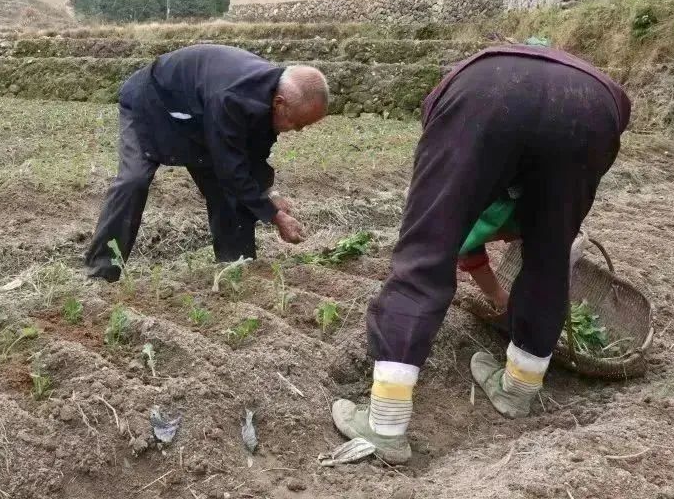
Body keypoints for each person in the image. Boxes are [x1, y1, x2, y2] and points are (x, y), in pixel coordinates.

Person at [332, 45, 630, 463]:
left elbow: (456, 231)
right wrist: (548, 226)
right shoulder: (583, 96)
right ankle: (517, 392)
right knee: (549, 256)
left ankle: (385, 426)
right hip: (596, 106)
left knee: (426, 252)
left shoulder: (469, 92)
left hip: (485, 93)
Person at [84, 44, 329, 281]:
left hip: (200, 115)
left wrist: (267, 193)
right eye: (297, 123)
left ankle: (237, 268)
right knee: (133, 181)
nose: (297, 130)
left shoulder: (267, 96)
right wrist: (274, 216)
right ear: (280, 102)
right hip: (153, 103)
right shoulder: (232, 97)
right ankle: (102, 272)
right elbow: (231, 168)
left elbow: (253, 155)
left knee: (229, 195)